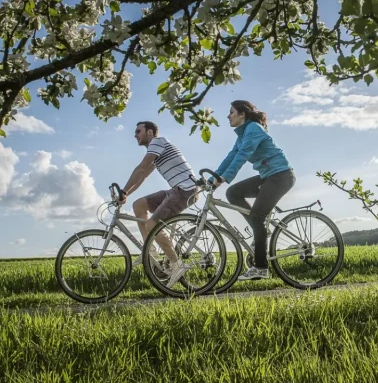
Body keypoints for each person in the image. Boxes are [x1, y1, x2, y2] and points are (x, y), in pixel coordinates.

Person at [213, 100, 295, 280]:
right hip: (268, 177)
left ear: (242, 114)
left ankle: (261, 267)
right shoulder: (242, 135)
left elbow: (243, 155)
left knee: (257, 217)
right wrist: (213, 178)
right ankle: (261, 233)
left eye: (231, 112)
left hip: (281, 176)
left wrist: (224, 178)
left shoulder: (253, 129)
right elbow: (231, 156)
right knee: (233, 193)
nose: (228, 116)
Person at [119, 121, 199, 285]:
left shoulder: (158, 142)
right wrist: (126, 195)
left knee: (151, 225)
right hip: (176, 190)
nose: (135, 135)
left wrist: (123, 191)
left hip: (186, 190)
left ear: (150, 132)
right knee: (139, 205)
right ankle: (150, 250)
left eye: (138, 131)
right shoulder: (156, 150)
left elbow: (141, 168)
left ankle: (177, 265)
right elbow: (143, 176)